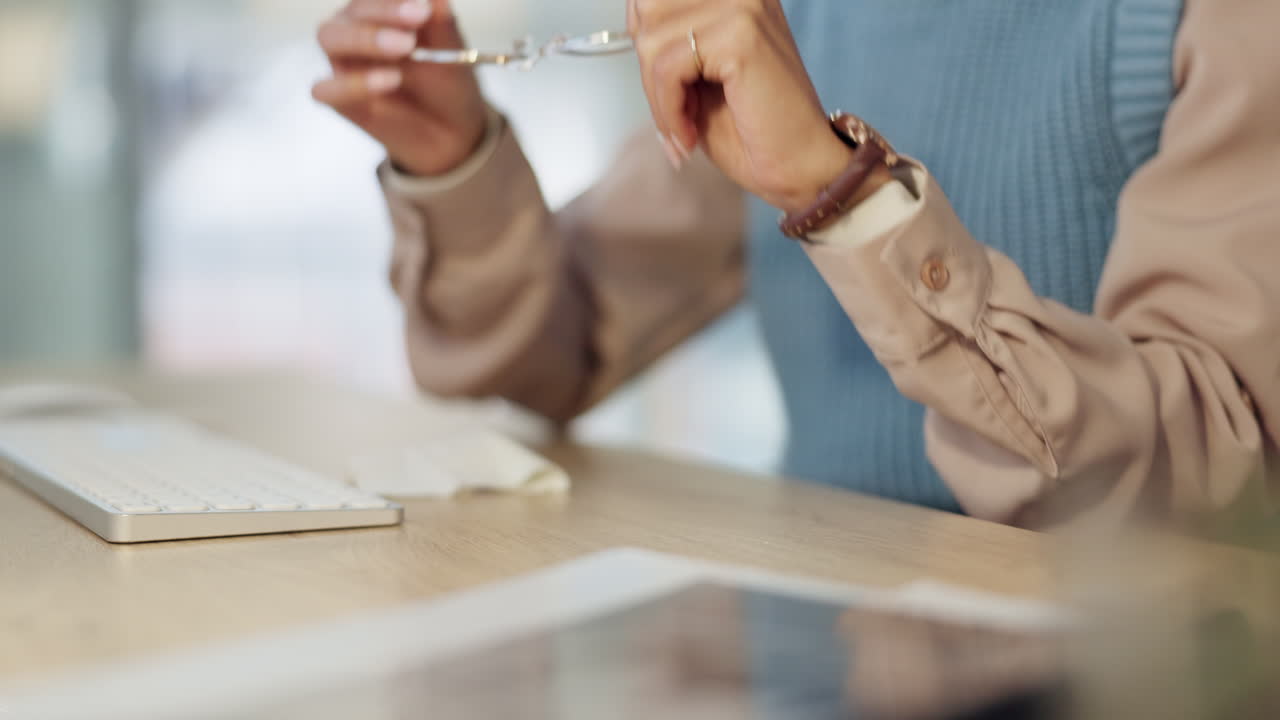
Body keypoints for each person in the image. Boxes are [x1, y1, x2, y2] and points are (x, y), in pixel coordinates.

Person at [315, 0, 1280, 528]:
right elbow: (553, 353)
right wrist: (454, 161)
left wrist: (842, 190)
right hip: (822, 644)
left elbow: (1220, 475)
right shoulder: (799, 16)